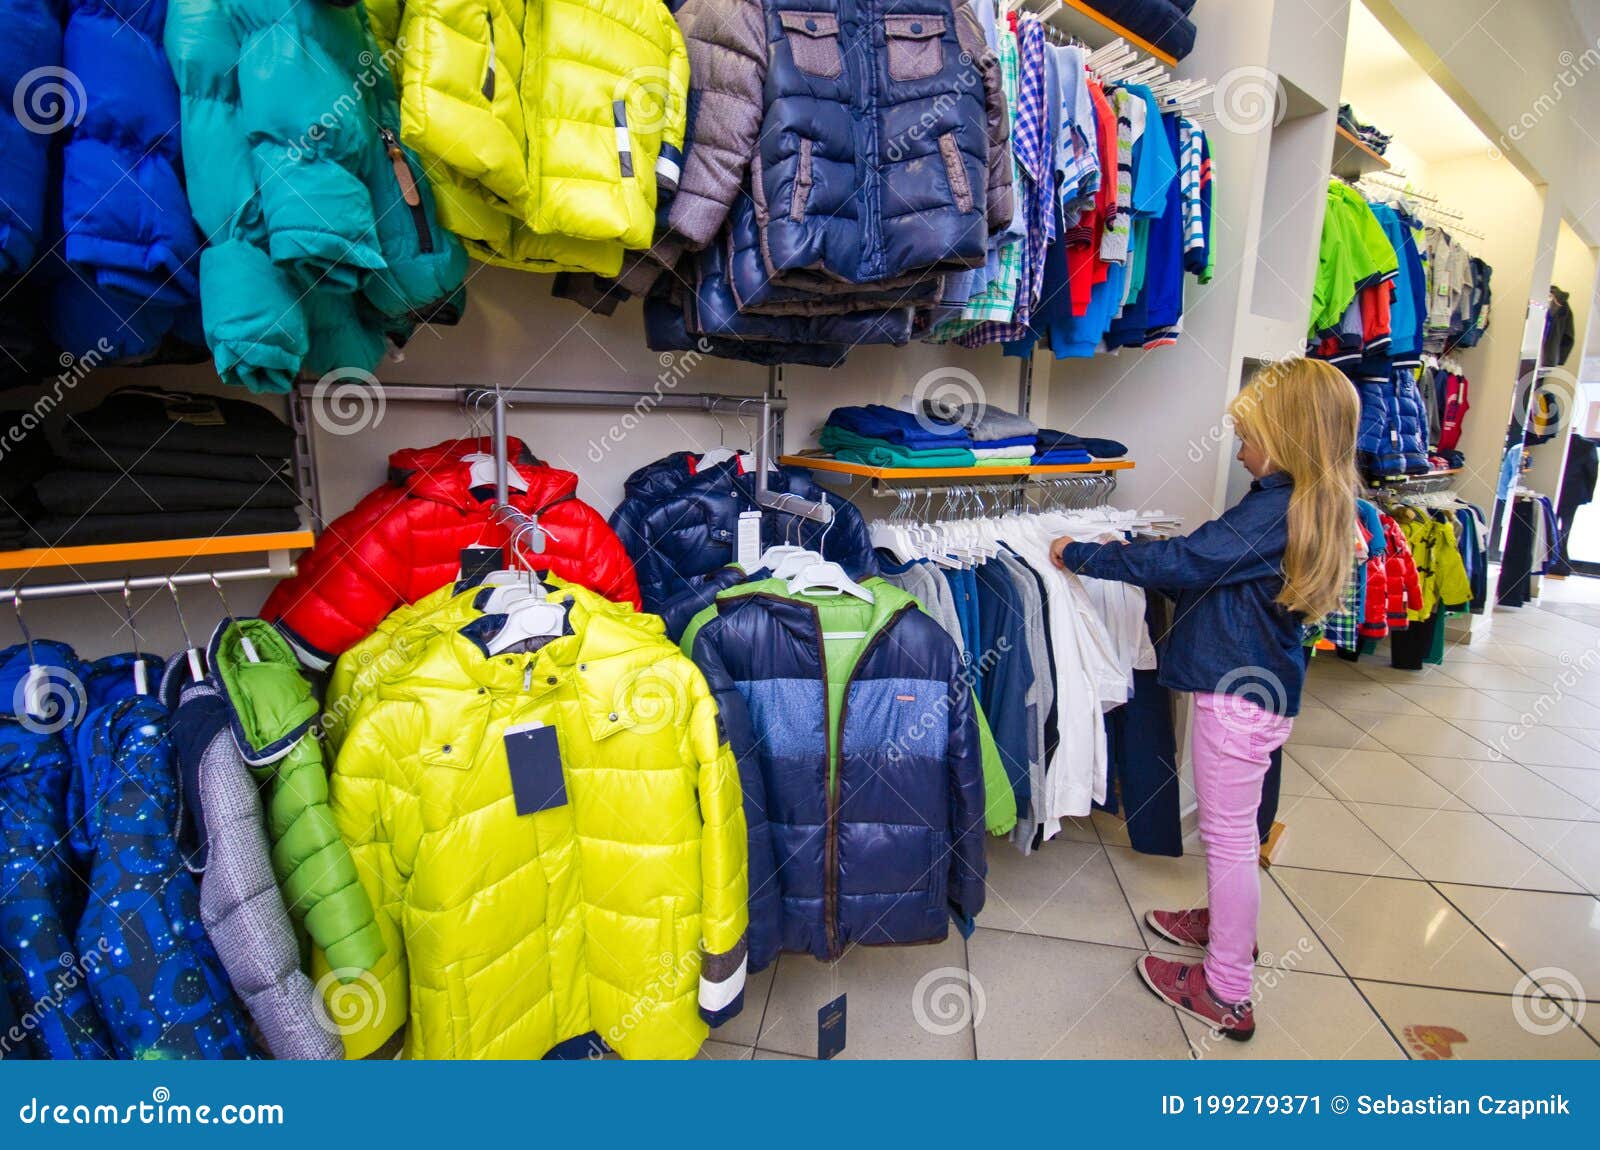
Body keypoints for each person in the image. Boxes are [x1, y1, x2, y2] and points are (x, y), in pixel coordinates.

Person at [1050, 358, 1360, 1041]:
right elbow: (1203, 563)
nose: (1241, 448)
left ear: (1283, 440)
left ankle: (1225, 989)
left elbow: (1189, 562)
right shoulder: (1298, 503)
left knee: (1228, 839)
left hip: (1236, 700)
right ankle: (1225, 930)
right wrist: (1138, 551)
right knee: (1236, 833)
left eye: (1248, 436)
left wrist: (1081, 555)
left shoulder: (1271, 509)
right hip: (1258, 693)